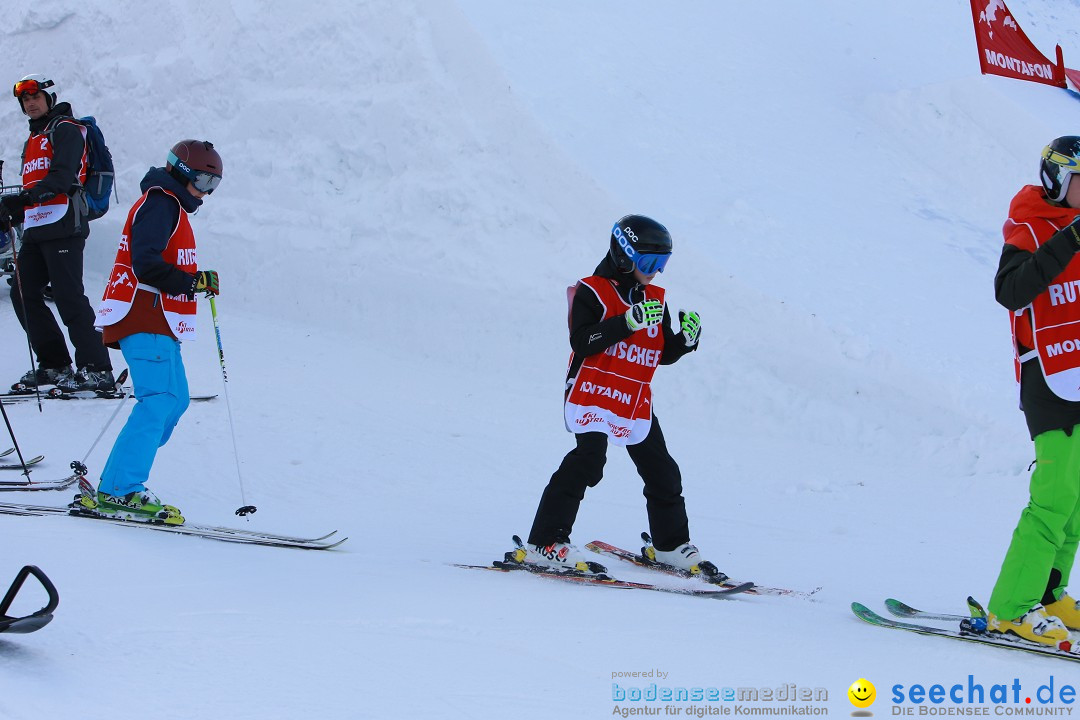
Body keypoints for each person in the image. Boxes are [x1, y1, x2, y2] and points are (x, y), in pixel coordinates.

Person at [513, 215, 711, 576]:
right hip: (592, 392)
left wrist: (684, 342)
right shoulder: (592, 292)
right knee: (588, 462)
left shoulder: (653, 298)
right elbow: (582, 340)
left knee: (662, 470)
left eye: (662, 264)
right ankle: (545, 541)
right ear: (623, 255)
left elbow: (660, 351)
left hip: (632, 398)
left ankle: (669, 546)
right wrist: (626, 322)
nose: (657, 273)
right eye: (650, 263)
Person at [76, 140, 223, 525]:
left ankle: (118, 478)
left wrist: (194, 281)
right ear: (184, 171)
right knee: (158, 400)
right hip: (143, 314)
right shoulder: (161, 203)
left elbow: (160, 260)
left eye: (214, 185)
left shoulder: (169, 206)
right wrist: (189, 284)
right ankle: (121, 489)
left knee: (175, 402)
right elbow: (145, 262)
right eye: (205, 181)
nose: (206, 192)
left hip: (158, 320)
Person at [990, 136, 1080, 648]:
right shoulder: (1027, 226)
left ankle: (1050, 594)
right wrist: (1069, 241)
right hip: (1047, 377)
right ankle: (1010, 607)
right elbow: (1011, 291)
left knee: (1077, 502)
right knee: (1052, 499)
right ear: (1056, 180)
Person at [0, 73, 114, 392]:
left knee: (67, 295)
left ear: (49, 98)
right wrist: (14, 210)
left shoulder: (66, 129)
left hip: (65, 224)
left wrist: (24, 199)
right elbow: (34, 187)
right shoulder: (34, 140)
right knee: (22, 292)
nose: (30, 103)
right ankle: (54, 363)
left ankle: (97, 368)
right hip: (37, 227)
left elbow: (63, 177)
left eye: (35, 97)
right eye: (25, 100)